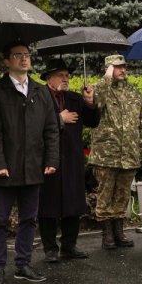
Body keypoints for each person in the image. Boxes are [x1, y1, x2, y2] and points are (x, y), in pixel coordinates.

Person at [0, 42, 60, 284]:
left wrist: (51, 160)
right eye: (17, 55)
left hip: (34, 166)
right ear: (7, 61)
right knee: (0, 220)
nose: (24, 59)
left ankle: (23, 264)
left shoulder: (41, 91)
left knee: (29, 219)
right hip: (6, 168)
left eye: (26, 55)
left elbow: (51, 129)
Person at [37, 61, 98, 261]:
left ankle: (69, 246)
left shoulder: (74, 98)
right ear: (48, 78)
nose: (65, 79)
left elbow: (92, 121)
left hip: (72, 157)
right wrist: (58, 118)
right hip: (47, 158)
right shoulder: (39, 96)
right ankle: (50, 248)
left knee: (73, 203)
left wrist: (89, 102)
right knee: (48, 204)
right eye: (60, 75)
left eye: (67, 75)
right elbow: (33, 123)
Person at [88, 54, 142, 251]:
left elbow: (141, 121)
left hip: (129, 155)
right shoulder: (100, 89)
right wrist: (107, 77)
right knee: (105, 194)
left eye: (123, 67)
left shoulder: (132, 91)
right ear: (108, 69)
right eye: (117, 67)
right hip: (107, 154)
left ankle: (119, 231)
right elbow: (95, 103)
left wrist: (140, 146)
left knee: (122, 195)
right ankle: (107, 234)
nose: (122, 70)